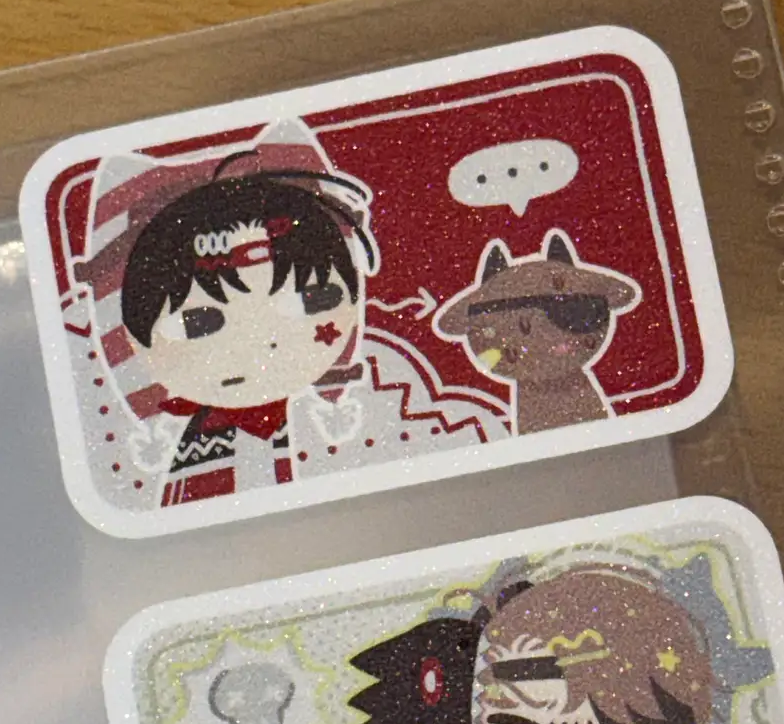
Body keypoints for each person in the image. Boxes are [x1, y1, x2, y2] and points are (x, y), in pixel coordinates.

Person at [79, 121, 508, 508]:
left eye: (311, 301)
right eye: (199, 323)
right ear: (129, 339)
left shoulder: (353, 417)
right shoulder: (171, 452)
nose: (260, 341)